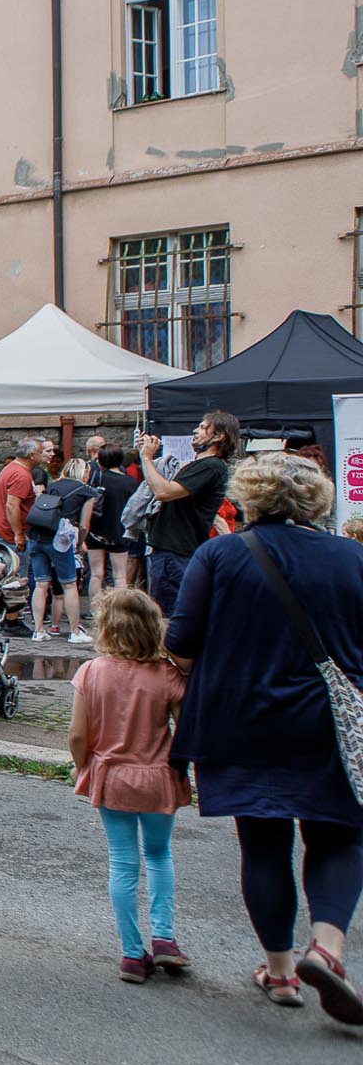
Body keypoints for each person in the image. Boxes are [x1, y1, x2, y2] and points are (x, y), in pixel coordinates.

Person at [163, 452, 363, 1023]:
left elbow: (182, 641)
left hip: (238, 715)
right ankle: (326, 947)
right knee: (340, 836)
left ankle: (279, 972)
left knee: (264, 842)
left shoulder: (221, 554)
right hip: (326, 722)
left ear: (249, 495)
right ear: (317, 500)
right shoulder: (353, 557)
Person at [67, 588, 191, 985]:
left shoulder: (92, 672)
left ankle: (132, 954)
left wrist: (81, 766)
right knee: (158, 854)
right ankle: (165, 937)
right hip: (157, 778)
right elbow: (184, 729)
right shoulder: (167, 674)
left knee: (123, 862)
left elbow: (76, 735)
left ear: (106, 628)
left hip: (113, 776)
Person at [139, 411, 238, 616]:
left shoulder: (211, 466)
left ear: (219, 436)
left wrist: (146, 458)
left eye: (203, 427)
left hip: (176, 551)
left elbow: (164, 492)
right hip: (173, 550)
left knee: (168, 617)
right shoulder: (202, 466)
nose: (196, 430)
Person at [28, 458, 100, 643]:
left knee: (41, 584)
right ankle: (75, 632)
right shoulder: (87, 492)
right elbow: (84, 525)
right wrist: (79, 543)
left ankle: (38, 630)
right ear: (84, 473)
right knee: (69, 585)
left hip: (37, 536)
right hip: (60, 540)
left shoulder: (53, 485)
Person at [88, 447, 141, 615]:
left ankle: (96, 611)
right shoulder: (130, 483)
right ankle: (119, 612)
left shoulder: (95, 479)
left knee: (96, 574)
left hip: (95, 531)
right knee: (120, 576)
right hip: (119, 531)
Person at [0, 439, 40, 554]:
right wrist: (18, 534)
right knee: (17, 571)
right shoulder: (21, 475)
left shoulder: (10, 468)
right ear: (31, 455)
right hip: (7, 535)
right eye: (41, 452)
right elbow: (11, 505)